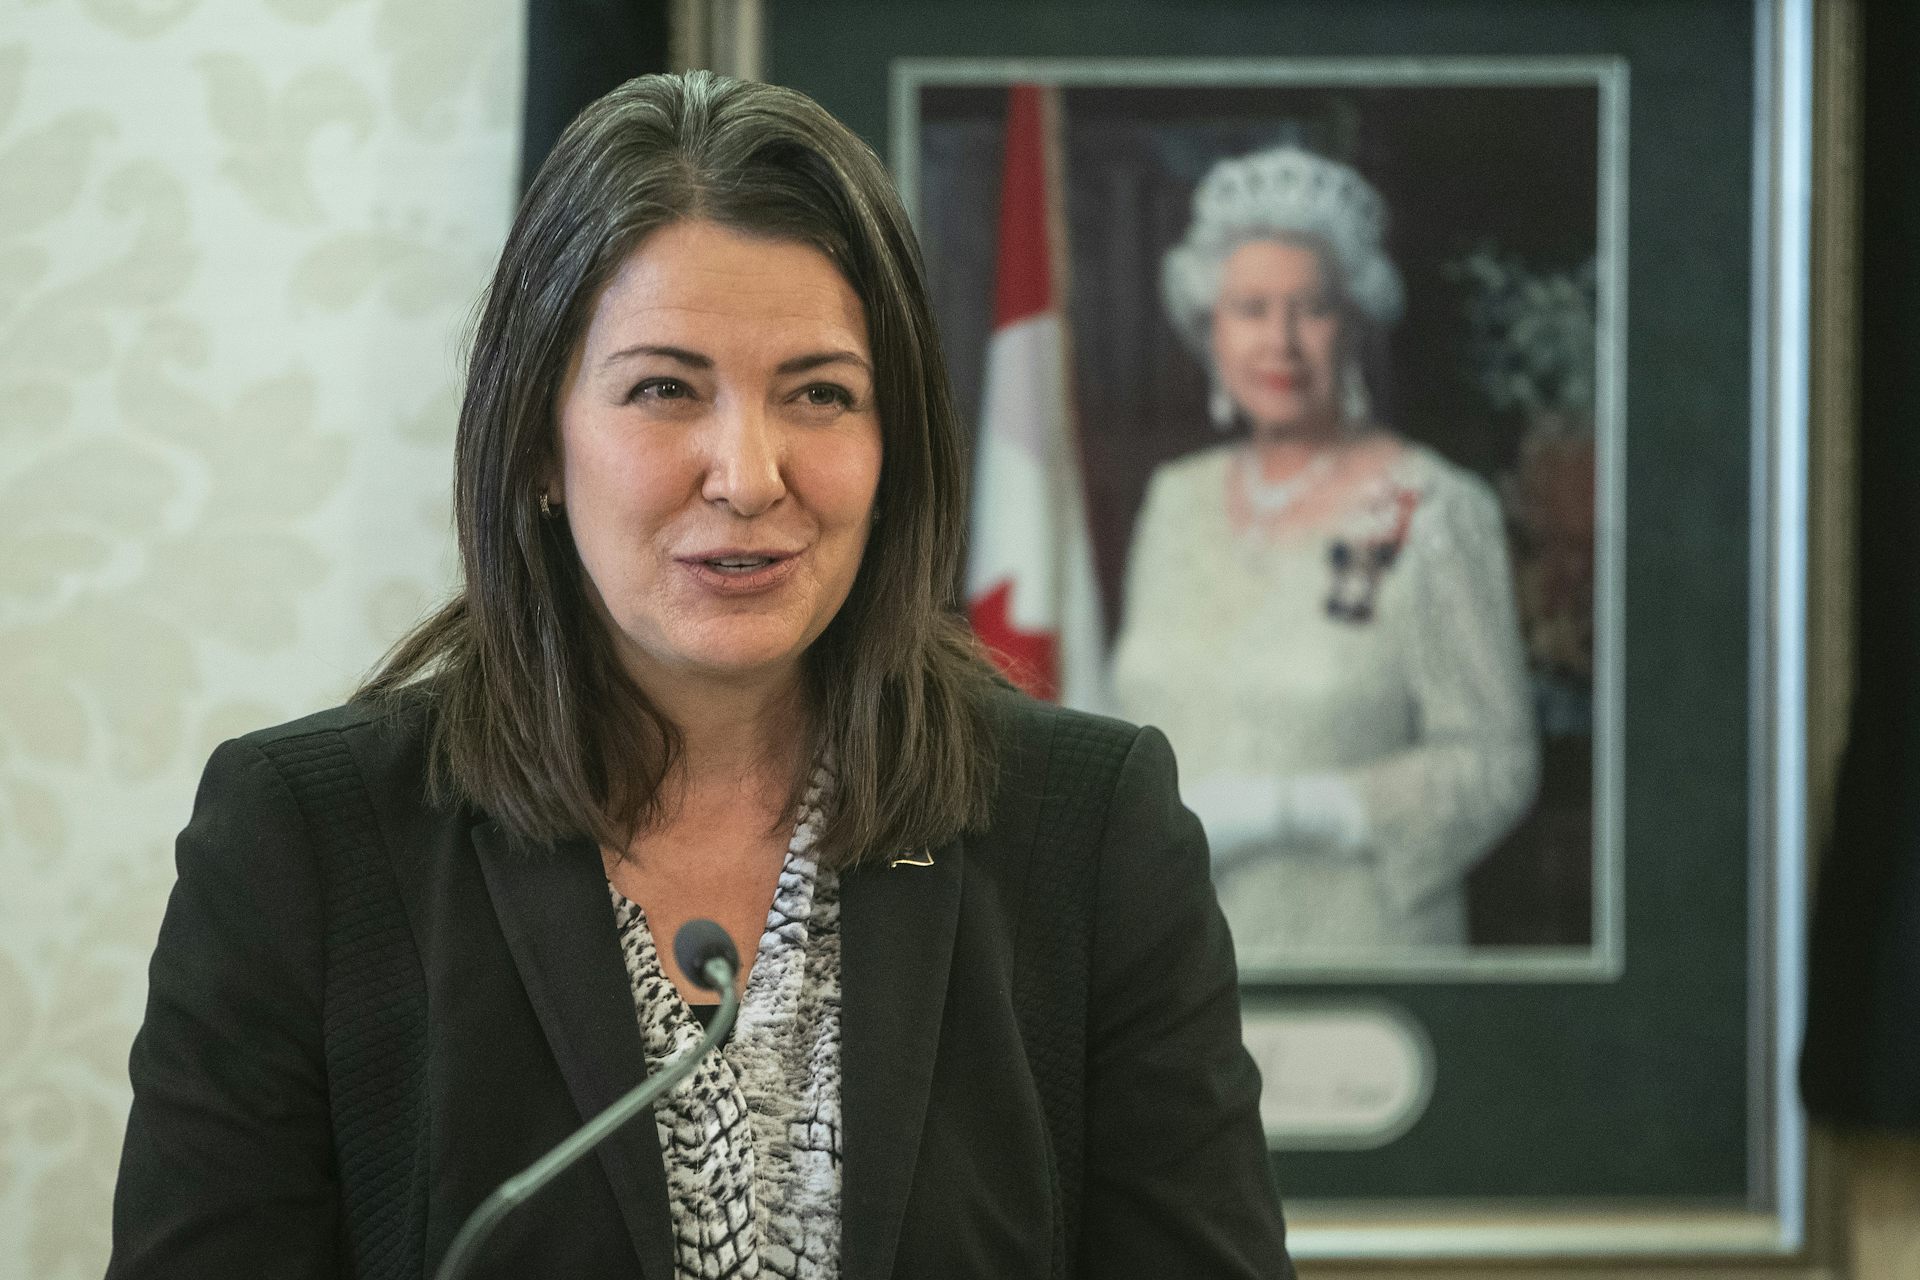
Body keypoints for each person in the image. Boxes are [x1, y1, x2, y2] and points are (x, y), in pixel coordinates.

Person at [105, 72, 1292, 1279]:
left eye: (820, 394)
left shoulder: (1087, 830)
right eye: (665, 389)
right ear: (538, 442)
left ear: (896, 448)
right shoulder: (305, 841)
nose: (749, 472)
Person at [1109, 145, 1539, 967]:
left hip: (1360, 960)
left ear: (1353, 322)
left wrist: (1286, 811)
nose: (1280, 340)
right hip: (1175, 964)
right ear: (1210, 328)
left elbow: (1496, 765)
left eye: (1310, 308)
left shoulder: (1434, 509)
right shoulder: (1175, 500)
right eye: (1250, 308)